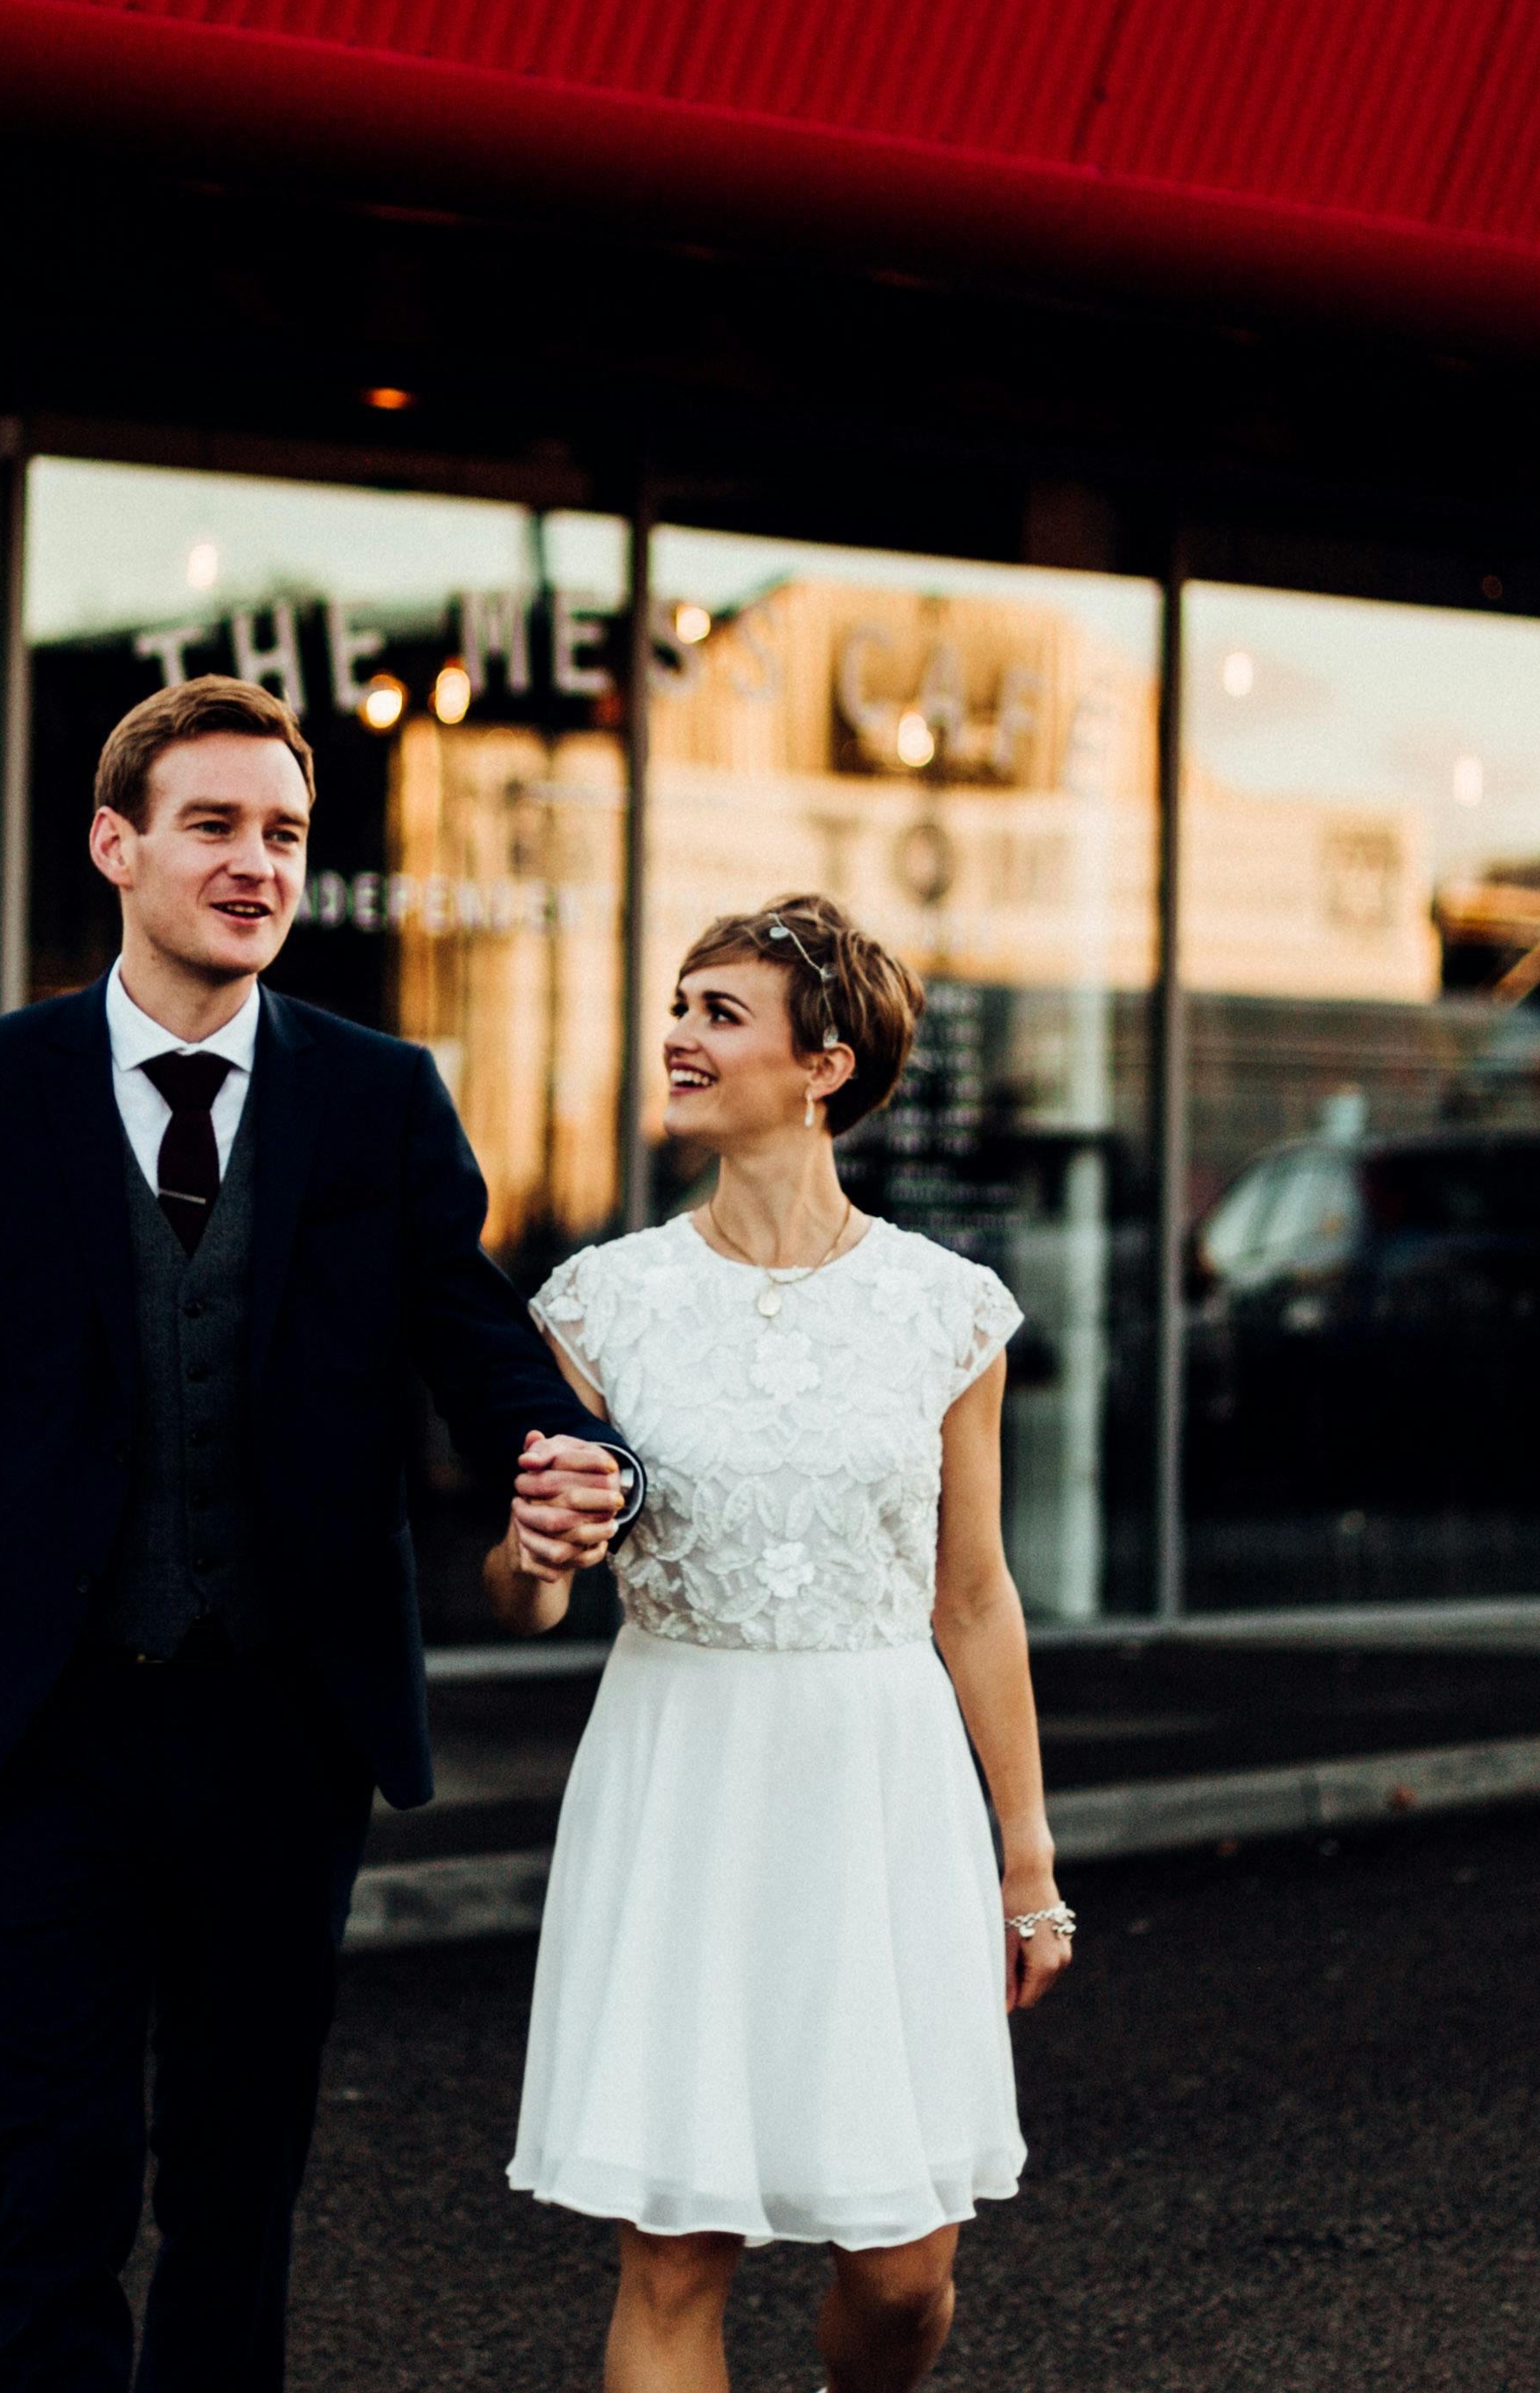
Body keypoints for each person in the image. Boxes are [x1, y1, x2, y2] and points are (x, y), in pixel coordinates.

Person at [0, 672, 645, 2393]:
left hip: (283, 1717)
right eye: (214, 824)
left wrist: (569, 1449)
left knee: (239, 2168)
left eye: (282, 832)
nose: (255, 862)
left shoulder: (378, 1093)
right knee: (54, 2168)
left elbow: (466, 1327)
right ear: (116, 844)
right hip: (39, 1721)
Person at [496, 892, 1074, 2393]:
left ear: (822, 1065)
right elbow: (527, 1586)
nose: (678, 1036)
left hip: (882, 1794)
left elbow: (974, 1596)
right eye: (678, 1005)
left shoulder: (946, 1311)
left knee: (900, 2269)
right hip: (682, 1776)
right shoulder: (599, 1303)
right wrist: (533, 1551)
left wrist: (1026, 1860)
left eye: (718, 1013)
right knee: (675, 2245)